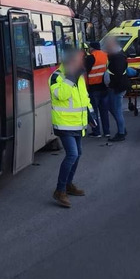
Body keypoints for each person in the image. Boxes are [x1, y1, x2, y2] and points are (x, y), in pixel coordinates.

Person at [50, 49, 92, 208]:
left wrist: (91, 114)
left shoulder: (78, 77)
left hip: (77, 123)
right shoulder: (56, 77)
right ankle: (60, 190)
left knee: (78, 153)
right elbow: (61, 95)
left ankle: (68, 184)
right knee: (72, 154)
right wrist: (71, 77)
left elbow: (84, 98)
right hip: (64, 124)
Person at [103, 37, 130, 141]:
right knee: (112, 107)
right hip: (116, 86)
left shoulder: (118, 57)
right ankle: (122, 128)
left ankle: (121, 133)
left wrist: (112, 85)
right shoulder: (117, 56)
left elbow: (118, 74)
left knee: (117, 110)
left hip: (117, 87)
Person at [84, 41, 111, 140]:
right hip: (104, 87)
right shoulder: (105, 55)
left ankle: (97, 132)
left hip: (93, 88)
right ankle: (107, 131)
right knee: (104, 111)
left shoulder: (90, 57)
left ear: (92, 48)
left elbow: (85, 72)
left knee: (94, 111)